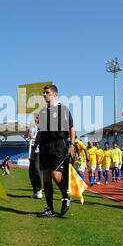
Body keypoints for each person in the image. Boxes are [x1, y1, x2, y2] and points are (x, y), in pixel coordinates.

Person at [30, 84, 75, 218]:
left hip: (58, 145)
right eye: (44, 93)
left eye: (47, 92)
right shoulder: (43, 112)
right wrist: (34, 148)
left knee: (56, 176)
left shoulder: (63, 109)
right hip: (44, 146)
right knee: (46, 177)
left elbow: (71, 128)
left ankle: (65, 195)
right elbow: (40, 132)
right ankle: (50, 209)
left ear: (55, 94)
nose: (45, 95)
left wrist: (72, 144)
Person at [25, 114, 43, 199]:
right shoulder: (32, 127)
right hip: (31, 150)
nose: (35, 119)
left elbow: (42, 138)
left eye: (37, 117)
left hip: (38, 150)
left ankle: (39, 190)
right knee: (31, 172)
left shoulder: (42, 127)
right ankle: (35, 191)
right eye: (35, 117)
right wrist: (28, 130)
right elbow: (26, 136)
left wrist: (33, 137)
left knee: (36, 169)